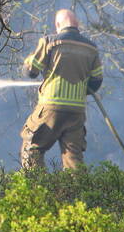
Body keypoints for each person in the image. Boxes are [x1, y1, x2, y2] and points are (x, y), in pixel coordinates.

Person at [19, 9, 103, 170]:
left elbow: (31, 71)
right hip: (76, 112)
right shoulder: (91, 48)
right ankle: (76, 193)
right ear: (76, 24)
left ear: (58, 24)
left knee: (31, 147)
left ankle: (35, 189)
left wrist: (29, 59)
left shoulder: (49, 41)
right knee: (74, 158)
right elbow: (96, 81)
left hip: (50, 108)